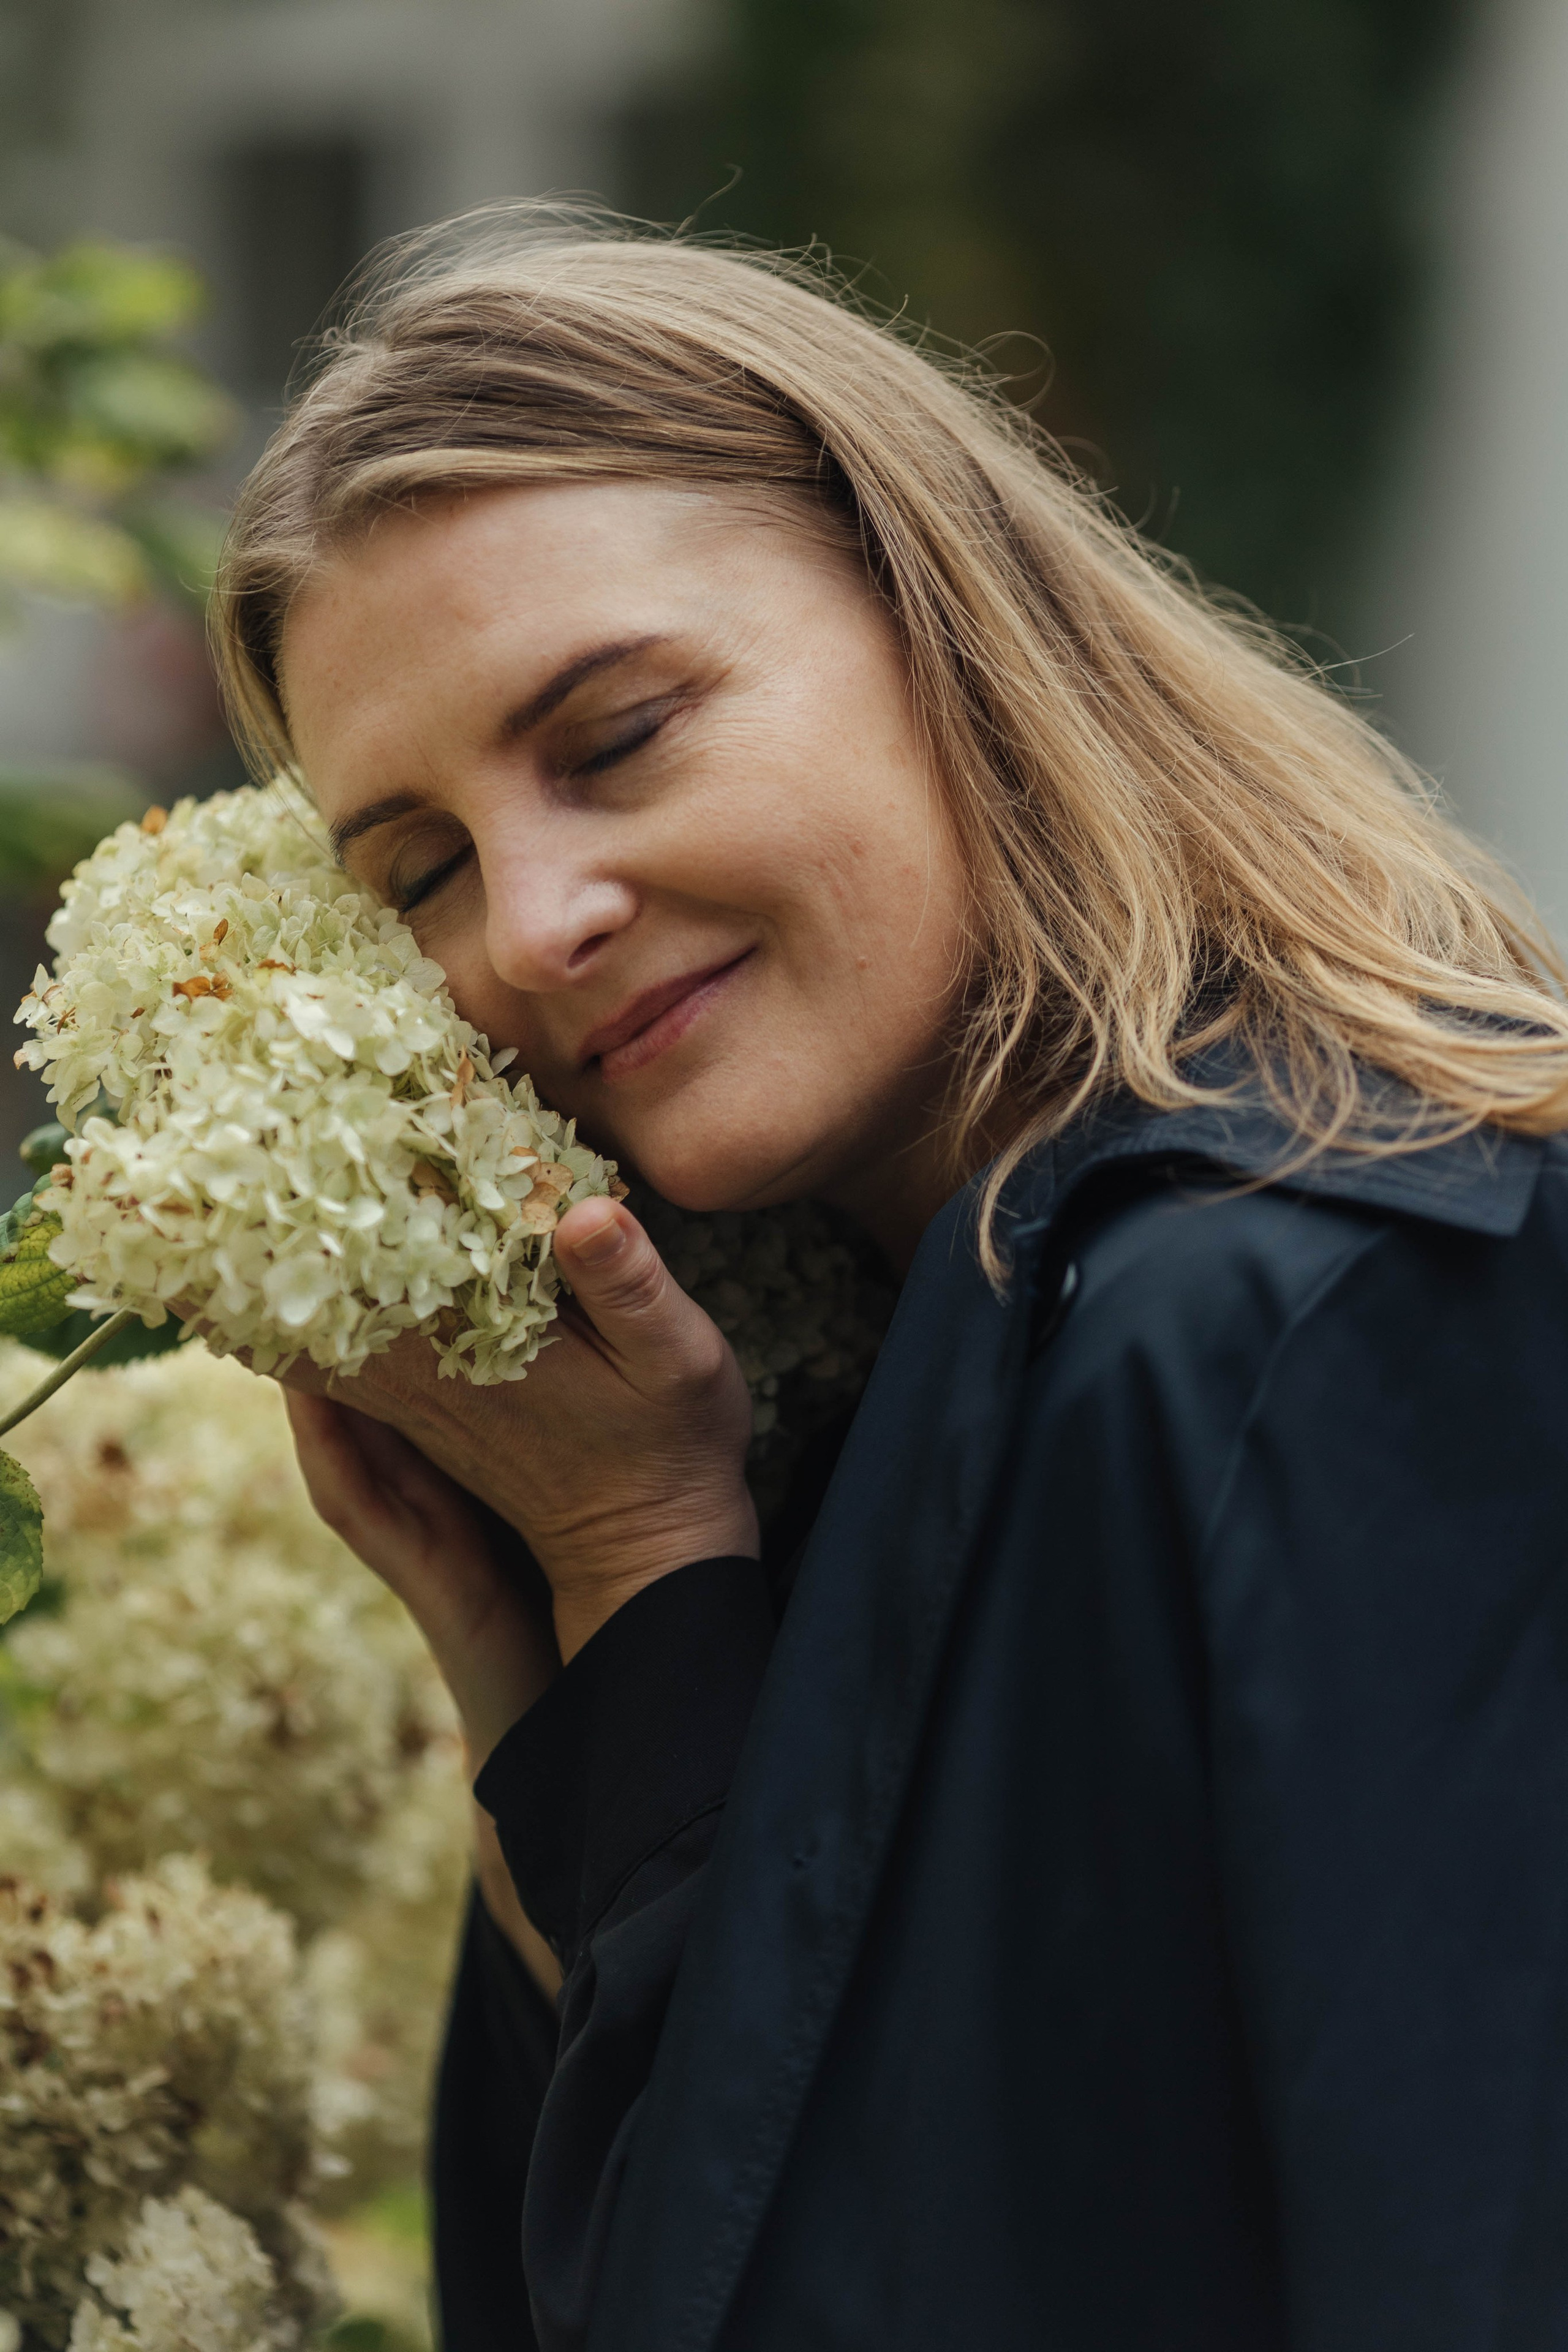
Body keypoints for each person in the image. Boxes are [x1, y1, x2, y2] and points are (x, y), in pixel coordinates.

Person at [211, 207, 1568, 2352]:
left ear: (944, 618)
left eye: (620, 733)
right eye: (423, 875)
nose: (531, 926)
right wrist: (556, 1658)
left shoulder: (1321, 1305)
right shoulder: (828, 1394)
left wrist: (649, 1566)